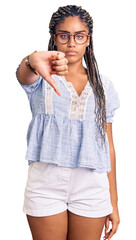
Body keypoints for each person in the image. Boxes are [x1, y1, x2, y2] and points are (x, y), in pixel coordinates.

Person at [16, 5, 120, 240]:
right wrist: (32, 60)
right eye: (64, 35)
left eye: (79, 36)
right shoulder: (41, 76)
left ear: (88, 40)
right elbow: (24, 73)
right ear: (55, 38)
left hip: (91, 184)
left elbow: (108, 146)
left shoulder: (103, 85)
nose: (71, 43)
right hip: (45, 181)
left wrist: (113, 201)